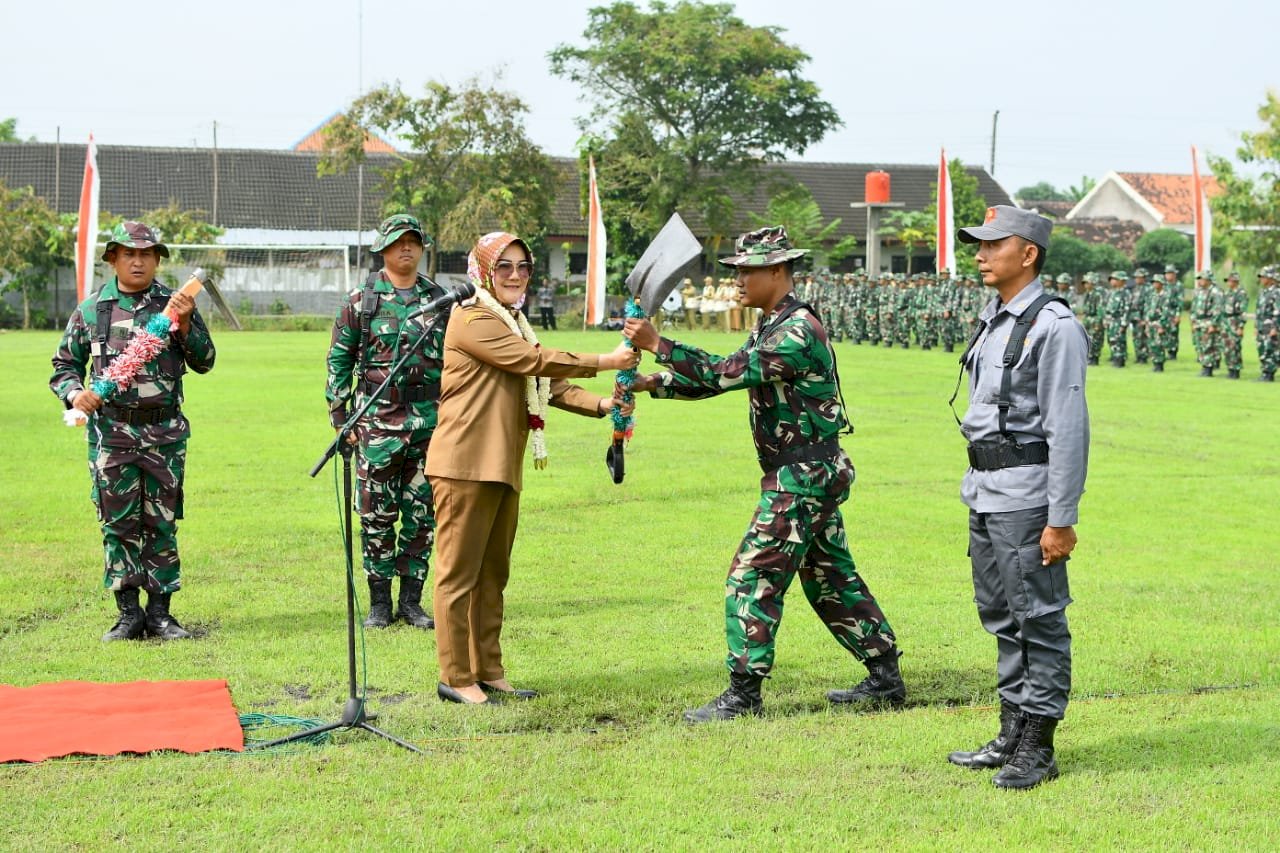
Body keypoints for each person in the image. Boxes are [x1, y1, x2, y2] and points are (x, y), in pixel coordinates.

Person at [624, 226, 905, 723]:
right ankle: (885, 676)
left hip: (803, 475)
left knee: (750, 577)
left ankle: (743, 694)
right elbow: (725, 379)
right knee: (829, 576)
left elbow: (726, 370)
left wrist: (658, 343)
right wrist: (656, 383)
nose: (736, 280)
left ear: (777, 272)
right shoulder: (773, 323)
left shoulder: (796, 331)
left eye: (747, 271)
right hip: (807, 471)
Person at [425, 231, 639, 705]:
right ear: (483, 271)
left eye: (523, 267)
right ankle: (455, 676)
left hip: (501, 464)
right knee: (458, 576)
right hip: (464, 464)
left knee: (492, 575)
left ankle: (489, 670)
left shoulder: (514, 321)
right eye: (505, 266)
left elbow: (546, 382)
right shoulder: (473, 317)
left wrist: (604, 404)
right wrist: (606, 359)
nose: (516, 275)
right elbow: (531, 360)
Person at [947, 206, 1089, 790]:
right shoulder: (996, 318)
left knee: (1040, 620)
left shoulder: (1052, 325)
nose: (979, 255)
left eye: (992, 245)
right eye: (977, 246)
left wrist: (1061, 520)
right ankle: (1011, 728)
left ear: (1027, 253)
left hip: (1028, 500)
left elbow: (1068, 428)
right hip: (986, 492)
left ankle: (1040, 744)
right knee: (1002, 616)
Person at [50, 221, 216, 641]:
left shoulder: (176, 305)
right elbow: (64, 367)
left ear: (158, 259)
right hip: (113, 434)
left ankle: (160, 614)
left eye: (147, 254)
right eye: (129, 254)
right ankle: (128, 615)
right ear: (113, 259)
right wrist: (75, 395)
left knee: (161, 522)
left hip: (164, 433)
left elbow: (205, 360)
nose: (138, 261)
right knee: (117, 522)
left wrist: (186, 322)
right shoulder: (92, 309)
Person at [326, 214, 447, 630]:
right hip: (376, 423)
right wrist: (340, 415)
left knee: (421, 514)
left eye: (413, 241)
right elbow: (340, 358)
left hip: (429, 423)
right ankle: (379, 602)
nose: (406, 248)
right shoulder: (363, 299)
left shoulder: (440, 299)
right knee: (376, 514)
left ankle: (411, 601)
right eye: (398, 242)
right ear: (383, 249)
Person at [1190, 270, 1224, 377]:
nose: (1200, 281)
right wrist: (1193, 321)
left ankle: (1208, 368)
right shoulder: (1198, 291)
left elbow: (1217, 309)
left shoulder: (1215, 292)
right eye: (1199, 279)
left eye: (1202, 279)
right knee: (1199, 345)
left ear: (1208, 280)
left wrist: (1213, 324)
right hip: (1199, 322)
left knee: (1208, 345)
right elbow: (1194, 307)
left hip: (1208, 321)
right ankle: (1204, 366)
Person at [1256, 265, 1280, 381]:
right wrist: (1256, 326)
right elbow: (1259, 310)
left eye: (1263, 277)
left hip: (1270, 325)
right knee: (1262, 348)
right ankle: (1265, 371)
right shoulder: (1263, 292)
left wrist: (1274, 327)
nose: (1261, 279)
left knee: (1270, 349)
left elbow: (1278, 311)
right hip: (1262, 325)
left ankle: (1269, 373)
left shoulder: (1276, 292)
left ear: (1270, 278)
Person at [1221, 271, 1247, 379]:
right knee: (1226, 346)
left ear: (1235, 281)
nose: (1228, 283)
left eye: (1230, 281)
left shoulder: (1241, 293)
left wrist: (1240, 327)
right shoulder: (1227, 293)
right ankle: (1230, 368)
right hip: (1226, 322)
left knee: (1235, 347)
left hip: (1235, 322)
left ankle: (1236, 369)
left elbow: (1243, 312)